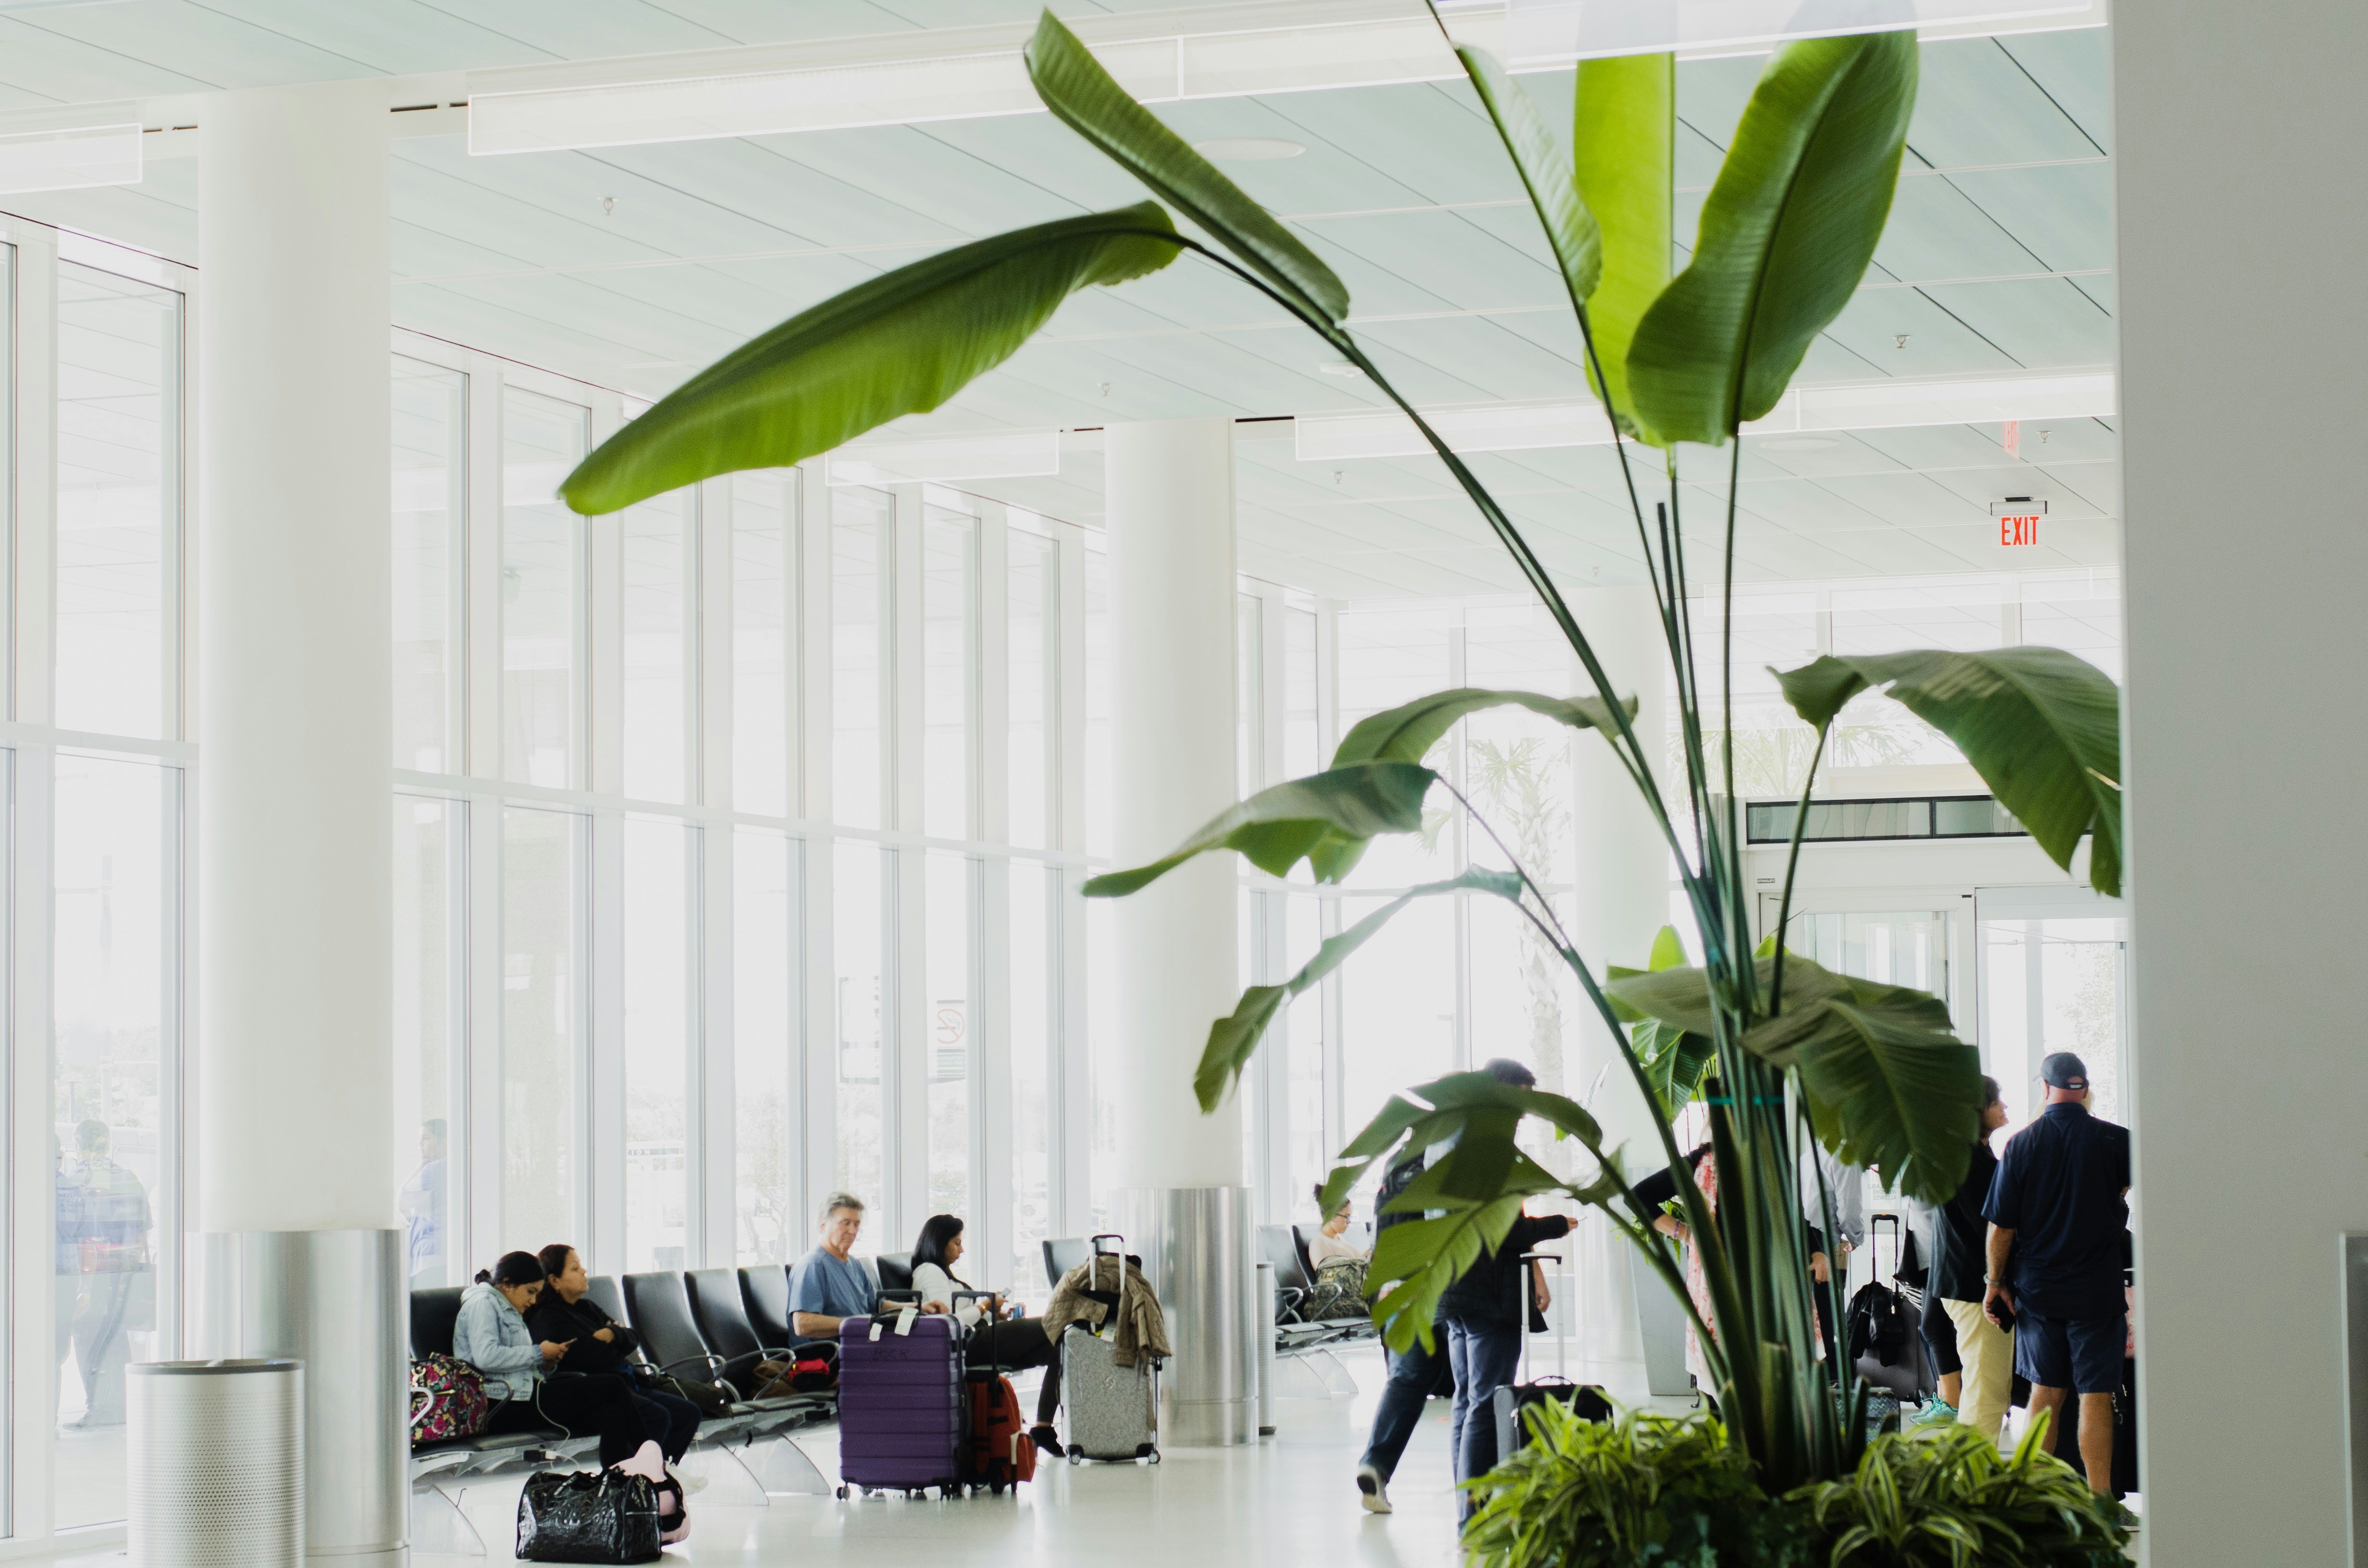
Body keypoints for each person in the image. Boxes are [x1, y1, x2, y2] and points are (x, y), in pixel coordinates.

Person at [1983, 1053, 2131, 1493]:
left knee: (2044, 1395)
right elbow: (2127, 1190)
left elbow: (2001, 1229)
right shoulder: (2118, 1141)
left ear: (2045, 1089)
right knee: (2096, 1395)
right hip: (2098, 1291)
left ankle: (2038, 1499)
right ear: (2084, 1090)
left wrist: (1995, 1284)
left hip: (2040, 1291)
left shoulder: (2023, 1144)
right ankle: (2101, 1499)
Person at [1437, 1059, 1574, 1521]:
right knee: (1486, 1400)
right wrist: (1558, 1225)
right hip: (1487, 1296)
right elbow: (1501, 1230)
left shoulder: (1451, 1141)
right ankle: (1475, 1509)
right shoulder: (1487, 1149)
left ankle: (1466, 1501)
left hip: (1454, 1291)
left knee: (1465, 1400)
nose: (1521, 1114)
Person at [454, 1250, 668, 1476]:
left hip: (523, 1396)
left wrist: (548, 1362)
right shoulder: (483, 1304)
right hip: (501, 1404)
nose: (533, 1300)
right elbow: (486, 1357)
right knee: (613, 1385)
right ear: (506, 1284)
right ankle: (653, 1469)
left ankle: (618, 1484)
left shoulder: (507, 1306)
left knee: (612, 1414)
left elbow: (517, 1363)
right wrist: (538, 1353)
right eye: (530, 1292)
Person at [528, 1244, 702, 1467]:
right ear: (554, 1281)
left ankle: (660, 1473)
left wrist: (612, 1334)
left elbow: (632, 1337)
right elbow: (595, 1357)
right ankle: (635, 1477)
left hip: (625, 1385)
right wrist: (614, 1338)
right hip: (597, 1393)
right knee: (657, 1417)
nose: (583, 1271)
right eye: (574, 1268)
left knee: (688, 1414)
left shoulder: (586, 1308)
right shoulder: (549, 1318)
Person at [908, 1214, 1066, 1458]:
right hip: (965, 1344)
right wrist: (984, 1308)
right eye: (956, 1243)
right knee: (1054, 1322)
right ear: (940, 1243)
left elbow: (960, 1311)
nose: (961, 1250)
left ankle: (1043, 1427)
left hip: (977, 1337)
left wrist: (994, 1316)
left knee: (1056, 1350)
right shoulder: (928, 1271)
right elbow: (948, 1321)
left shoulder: (943, 1274)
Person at [1915, 1075, 2013, 1438]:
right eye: (1996, 1102)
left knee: (1985, 1384)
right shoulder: (1970, 1160)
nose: (2004, 1108)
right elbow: (1991, 1225)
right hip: (1973, 1285)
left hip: (1963, 1282)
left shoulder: (1966, 1154)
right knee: (1986, 1390)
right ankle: (1972, 1478)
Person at [1354, 1147, 1436, 1516]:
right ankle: (1482, 1494)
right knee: (1476, 1392)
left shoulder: (1397, 1164)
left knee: (1406, 1379)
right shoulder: (1448, 1160)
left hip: (1393, 1283)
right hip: (1440, 1283)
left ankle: (1376, 1463)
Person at [62, 1120, 152, 1427]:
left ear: (79, 1146)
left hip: (90, 1277)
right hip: (124, 1275)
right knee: (117, 1335)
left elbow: (73, 1238)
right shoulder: (130, 1179)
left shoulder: (73, 1182)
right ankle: (123, 1407)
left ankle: (98, 1407)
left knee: (88, 1337)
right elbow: (143, 1234)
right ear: (107, 1143)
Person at [789, 1193, 883, 1339]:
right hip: (827, 1355)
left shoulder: (854, 1264)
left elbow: (877, 1305)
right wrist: (855, 1325)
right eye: (845, 1223)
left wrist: (916, 1307)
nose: (853, 1231)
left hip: (858, 1346)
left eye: (856, 1224)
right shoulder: (813, 1266)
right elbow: (803, 1324)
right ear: (823, 1225)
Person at [400, 1120, 448, 1288]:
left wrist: (422, 1164)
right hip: (446, 1253)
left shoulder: (434, 1169)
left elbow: (401, 1201)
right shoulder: (455, 1166)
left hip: (430, 1256)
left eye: (426, 1139)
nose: (420, 1145)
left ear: (444, 1141)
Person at [1307, 1190, 1368, 1265]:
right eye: (1347, 1217)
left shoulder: (1338, 1238)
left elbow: (1359, 1263)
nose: (1349, 1222)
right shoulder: (1319, 1242)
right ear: (1332, 1215)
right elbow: (1329, 1274)